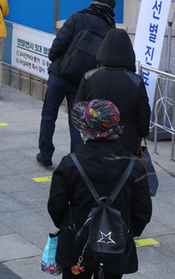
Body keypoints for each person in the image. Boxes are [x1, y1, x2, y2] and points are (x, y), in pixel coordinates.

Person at [47, 99, 152, 279]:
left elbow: (56, 206)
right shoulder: (133, 166)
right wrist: (126, 231)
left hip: (75, 246)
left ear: (86, 128)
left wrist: (69, 227)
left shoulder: (70, 163)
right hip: (115, 244)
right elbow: (143, 211)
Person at [36, 0, 116, 166]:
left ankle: (45, 155)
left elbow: (58, 44)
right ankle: (75, 162)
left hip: (59, 74)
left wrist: (55, 60)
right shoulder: (109, 30)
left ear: (93, 3)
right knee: (77, 122)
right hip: (82, 82)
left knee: (49, 114)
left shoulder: (77, 17)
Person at [75, 29, 150, 156]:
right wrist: (142, 134)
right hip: (126, 140)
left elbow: (79, 111)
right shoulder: (136, 81)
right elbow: (143, 117)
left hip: (95, 139)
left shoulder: (89, 77)